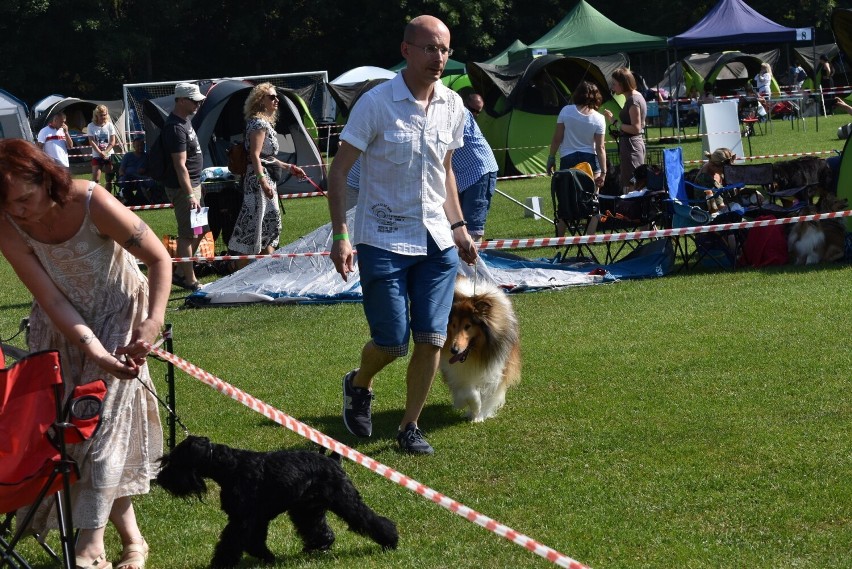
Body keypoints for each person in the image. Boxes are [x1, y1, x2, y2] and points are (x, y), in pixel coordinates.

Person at [0, 138, 170, 569]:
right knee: (72, 441)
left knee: (100, 432)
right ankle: (134, 541)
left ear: (45, 177)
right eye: (7, 204)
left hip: (121, 319)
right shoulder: (6, 223)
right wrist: (92, 351)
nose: (18, 210)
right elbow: (52, 301)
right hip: (62, 331)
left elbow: (158, 259)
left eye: (24, 198)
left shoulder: (91, 199)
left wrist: (151, 322)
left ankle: (90, 549)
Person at [327, 15, 477, 455]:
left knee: (432, 338)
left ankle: (409, 427)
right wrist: (340, 234)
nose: (439, 58)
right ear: (406, 50)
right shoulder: (375, 104)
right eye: (430, 48)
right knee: (392, 341)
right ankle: (359, 382)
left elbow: (445, 173)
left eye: (445, 49)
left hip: (437, 242)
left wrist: (460, 227)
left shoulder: (454, 105)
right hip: (383, 239)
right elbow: (339, 172)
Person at [227, 83, 307, 269]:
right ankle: (238, 269)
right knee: (256, 226)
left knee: (268, 226)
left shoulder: (263, 123)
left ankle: (265, 269)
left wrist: (289, 167)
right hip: (258, 181)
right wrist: (263, 181)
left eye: (276, 96)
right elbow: (254, 156)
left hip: (264, 179)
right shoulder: (259, 124)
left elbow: (267, 158)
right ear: (260, 100)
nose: (276, 99)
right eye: (271, 97)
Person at [162, 83, 206, 291]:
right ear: (181, 100)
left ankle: (180, 273)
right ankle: (190, 279)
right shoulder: (174, 127)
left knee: (199, 230)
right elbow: (179, 165)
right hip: (185, 190)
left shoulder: (185, 121)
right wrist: (190, 195)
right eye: (194, 100)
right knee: (187, 234)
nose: (198, 103)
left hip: (194, 185)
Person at [451, 93, 499, 243]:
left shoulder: (459, 112)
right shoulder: (448, 109)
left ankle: (473, 264)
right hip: (466, 172)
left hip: (479, 170)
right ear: (465, 103)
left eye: (479, 112)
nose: (476, 115)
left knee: (473, 225)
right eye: (474, 110)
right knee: (458, 221)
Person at [546, 81, 607, 190]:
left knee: (568, 194)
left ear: (577, 94)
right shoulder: (599, 118)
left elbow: (557, 138)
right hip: (590, 158)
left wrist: (551, 157)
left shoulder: (565, 111)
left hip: (568, 157)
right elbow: (600, 147)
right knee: (592, 196)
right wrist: (603, 172)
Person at [603, 67, 647, 191]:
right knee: (631, 182)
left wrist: (616, 124)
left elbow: (636, 128)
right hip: (630, 144)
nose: (612, 87)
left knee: (632, 183)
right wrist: (619, 131)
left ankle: (631, 209)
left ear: (623, 84)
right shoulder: (634, 97)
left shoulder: (633, 100)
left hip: (632, 147)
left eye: (614, 84)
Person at [117, 136, 154, 204]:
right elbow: (121, 169)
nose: (140, 147)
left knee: (147, 182)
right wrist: (122, 175)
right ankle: (127, 198)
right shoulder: (128, 156)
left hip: (141, 178)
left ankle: (139, 200)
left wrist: (145, 171)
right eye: (138, 145)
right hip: (128, 177)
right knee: (124, 180)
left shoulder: (147, 156)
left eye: (142, 145)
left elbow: (151, 170)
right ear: (133, 146)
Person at [87, 104, 117, 186]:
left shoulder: (110, 125)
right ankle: (94, 197)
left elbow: (112, 141)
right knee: (95, 180)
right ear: (96, 115)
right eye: (101, 115)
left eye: (105, 115)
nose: (103, 117)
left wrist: (105, 152)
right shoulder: (90, 126)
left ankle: (108, 197)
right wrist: (100, 152)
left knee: (109, 179)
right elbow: (91, 141)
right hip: (97, 155)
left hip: (109, 154)